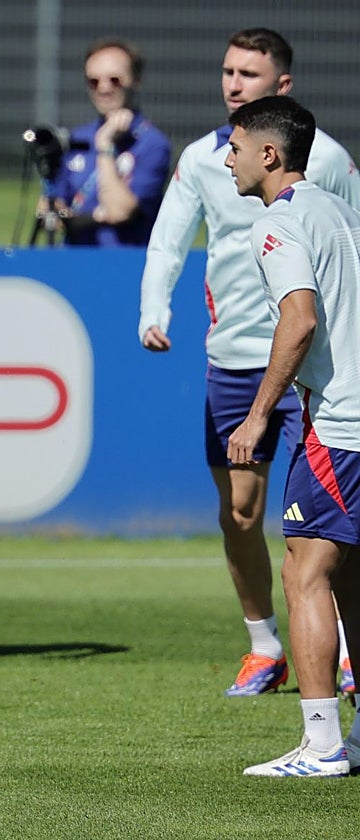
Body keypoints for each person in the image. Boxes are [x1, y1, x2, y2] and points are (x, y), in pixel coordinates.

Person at [138, 28, 359, 699]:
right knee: (241, 512)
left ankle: (335, 671)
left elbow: (338, 268)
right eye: (227, 70)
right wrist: (154, 309)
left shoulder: (320, 166)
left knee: (319, 540)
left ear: (281, 87)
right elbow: (168, 238)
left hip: (308, 370)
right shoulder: (206, 159)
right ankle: (265, 645)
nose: (233, 82)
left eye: (249, 73)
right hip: (235, 358)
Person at [221, 95, 360, 777]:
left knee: (304, 570)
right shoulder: (339, 208)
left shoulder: (278, 224)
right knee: (351, 575)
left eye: (237, 146)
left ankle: (322, 742)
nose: (228, 158)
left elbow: (299, 320)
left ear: (269, 155)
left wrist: (256, 415)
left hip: (340, 424)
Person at [41, 37, 171, 246]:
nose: (103, 89)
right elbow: (49, 208)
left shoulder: (152, 144)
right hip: (73, 261)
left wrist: (105, 146)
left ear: (136, 80)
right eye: (94, 81)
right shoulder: (77, 139)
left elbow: (119, 211)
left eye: (114, 80)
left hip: (124, 265)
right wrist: (89, 217)